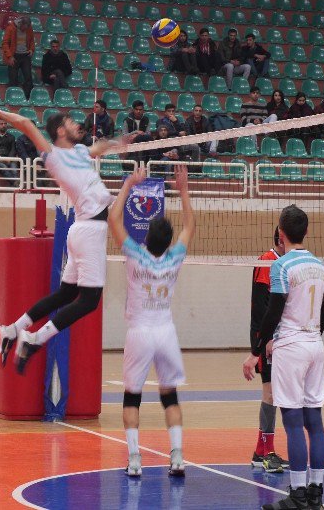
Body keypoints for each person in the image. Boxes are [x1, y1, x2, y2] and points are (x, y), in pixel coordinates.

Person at [0, 107, 127, 373]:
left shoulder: (80, 152)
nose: (77, 125)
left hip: (81, 230)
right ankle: (34, 339)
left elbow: (98, 149)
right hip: (90, 231)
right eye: (71, 123)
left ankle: (13, 330)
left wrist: (119, 142)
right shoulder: (54, 157)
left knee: (67, 294)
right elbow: (26, 123)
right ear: (61, 131)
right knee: (89, 301)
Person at [108, 164, 195, 478]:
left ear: (147, 234)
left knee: (132, 397)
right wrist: (183, 190)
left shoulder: (135, 254)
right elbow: (190, 224)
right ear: (170, 240)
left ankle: (134, 460)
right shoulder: (175, 257)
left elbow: (113, 219)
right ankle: (178, 458)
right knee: (169, 394)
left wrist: (129, 184)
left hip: (140, 332)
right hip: (166, 332)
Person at [243, 205, 324, 510]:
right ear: (306, 232)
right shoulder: (322, 266)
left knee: (293, 422)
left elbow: (273, 310)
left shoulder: (280, 266)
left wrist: (258, 348)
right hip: (316, 344)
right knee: (315, 422)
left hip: (290, 348)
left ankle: (298, 495)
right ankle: (316, 493)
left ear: (281, 232)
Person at [248, 227, 290, 473]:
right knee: (270, 394)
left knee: (274, 394)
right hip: (266, 338)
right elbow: (261, 307)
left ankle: (260, 452)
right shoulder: (268, 261)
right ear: (280, 239)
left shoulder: (284, 263)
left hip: (279, 337)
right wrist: (263, 341)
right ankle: (268, 452)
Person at [1, 16, 35, 99]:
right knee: (13, 79)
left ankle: (27, 99)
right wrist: (9, 56)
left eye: (27, 28)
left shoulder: (29, 29)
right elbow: (5, 43)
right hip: (14, 56)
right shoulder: (11, 28)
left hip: (25, 56)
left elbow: (32, 41)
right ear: (21, 24)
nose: (25, 30)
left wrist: (31, 49)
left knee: (28, 78)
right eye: (24, 28)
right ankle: (13, 98)